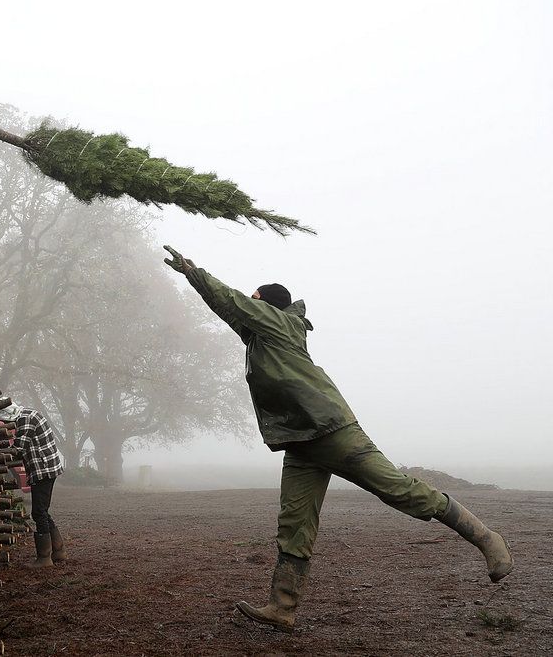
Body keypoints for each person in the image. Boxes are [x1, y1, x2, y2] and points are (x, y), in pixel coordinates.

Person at [161, 245, 513, 632]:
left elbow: (233, 302)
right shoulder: (260, 338)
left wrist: (194, 272)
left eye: (255, 299)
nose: (249, 304)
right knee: (294, 524)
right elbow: (230, 309)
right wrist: (196, 282)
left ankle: (485, 537)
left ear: (268, 307)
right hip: (300, 442)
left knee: (400, 490)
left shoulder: (283, 325)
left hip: (332, 430)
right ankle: (283, 607)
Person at [0, 403, 67, 568]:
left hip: (43, 470)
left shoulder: (26, 419)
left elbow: (18, 448)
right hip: (45, 468)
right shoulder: (27, 414)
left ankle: (44, 558)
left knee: (38, 513)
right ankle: (59, 551)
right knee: (43, 511)